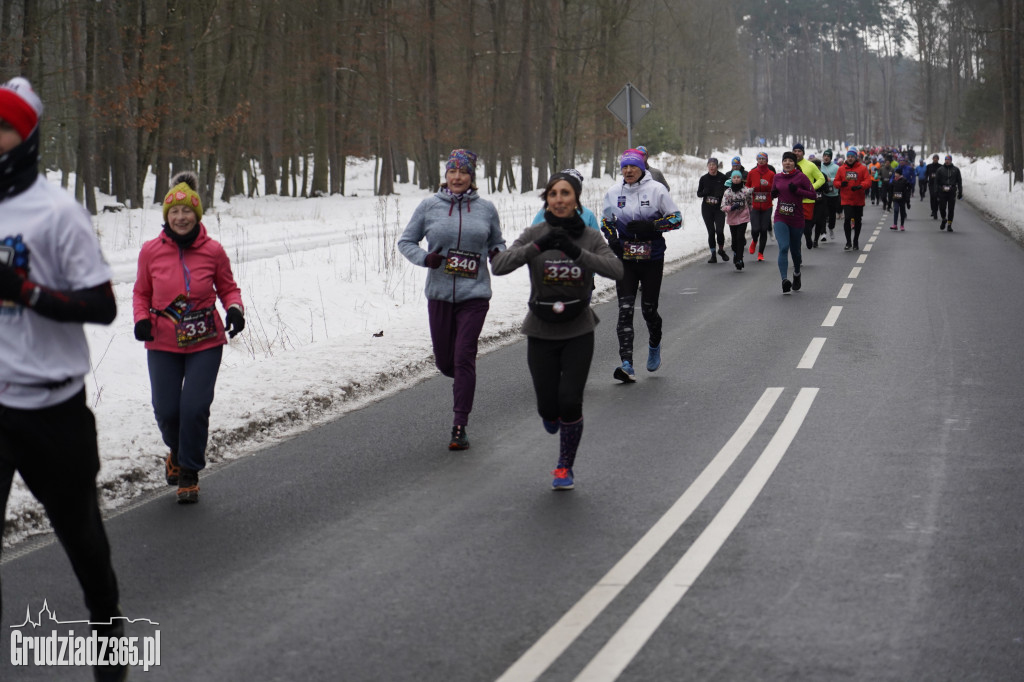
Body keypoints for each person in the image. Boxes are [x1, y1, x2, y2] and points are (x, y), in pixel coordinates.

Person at [0, 76, 126, 681]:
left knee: (80, 536)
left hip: (54, 409)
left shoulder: (57, 212)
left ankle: (108, 634)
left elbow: (102, 306)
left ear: (25, 138)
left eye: (3, 130)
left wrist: (25, 292)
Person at [491, 172, 622, 490]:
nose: (559, 199)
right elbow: (499, 265)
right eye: (553, 194)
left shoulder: (590, 236)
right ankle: (551, 416)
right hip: (540, 330)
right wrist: (536, 247)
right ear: (547, 199)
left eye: (566, 193)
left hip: (578, 329)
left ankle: (565, 467)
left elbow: (617, 269)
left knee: (570, 400)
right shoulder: (535, 232)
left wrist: (577, 253)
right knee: (548, 407)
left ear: (576, 200)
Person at [133, 171, 244, 504]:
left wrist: (235, 309)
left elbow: (227, 287)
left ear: (197, 215)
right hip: (162, 340)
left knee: (194, 407)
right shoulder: (151, 251)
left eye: (187, 212)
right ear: (167, 215)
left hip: (205, 340)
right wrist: (141, 320)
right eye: (174, 212)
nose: (181, 217)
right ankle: (177, 452)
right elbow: (141, 293)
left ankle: (189, 471)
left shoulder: (213, 250)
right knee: (167, 411)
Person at [398, 149, 505, 449]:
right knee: (446, 362)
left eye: (463, 172)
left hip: (475, 295)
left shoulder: (486, 209)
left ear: (472, 177)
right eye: (452, 172)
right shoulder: (429, 206)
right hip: (440, 294)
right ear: (446, 176)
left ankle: (460, 425)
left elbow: (496, 240)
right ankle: (459, 376)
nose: (457, 177)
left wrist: (497, 253)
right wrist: (425, 258)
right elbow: (406, 241)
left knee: (463, 357)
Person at [601, 148, 682, 382]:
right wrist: (612, 239)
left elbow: (676, 219)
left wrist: (653, 226)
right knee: (624, 310)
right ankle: (626, 364)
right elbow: (606, 220)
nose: (628, 171)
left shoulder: (657, 190)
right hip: (625, 259)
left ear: (642, 168)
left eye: (633, 167)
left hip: (651, 257)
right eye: (624, 167)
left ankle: (654, 342)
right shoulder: (613, 192)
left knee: (648, 310)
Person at [771, 151, 816, 293]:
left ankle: (797, 272)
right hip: (781, 217)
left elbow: (813, 195)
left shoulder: (801, 177)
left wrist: (797, 190)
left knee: (795, 251)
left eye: (790, 161)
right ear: (782, 163)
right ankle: (784, 280)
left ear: (794, 163)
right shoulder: (777, 177)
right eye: (785, 161)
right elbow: (774, 191)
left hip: (796, 219)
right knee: (784, 247)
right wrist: (772, 194)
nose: (788, 163)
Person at [532, 168, 599, 230]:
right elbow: (531, 238)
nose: (559, 199)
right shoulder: (543, 214)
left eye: (566, 193)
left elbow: (596, 241)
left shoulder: (588, 215)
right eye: (554, 193)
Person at [835, 147, 872, 250]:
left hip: (858, 199)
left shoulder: (862, 168)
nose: (850, 158)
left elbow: (868, 181)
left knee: (857, 220)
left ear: (856, 157)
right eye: (848, 157)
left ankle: (856, 241)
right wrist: (841, 184)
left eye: (852, 157)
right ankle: (848, 242)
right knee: (847, 219)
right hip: (846, 198)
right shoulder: (842, 169)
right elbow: (836, 182)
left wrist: (860, 186)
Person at [791, 143, 826, 249]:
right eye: (795, 151)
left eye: (799, 151)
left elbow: (821, 179)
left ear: (803, 153)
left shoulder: (810, 165)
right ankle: (797, 255)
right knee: (796, 231)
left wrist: (811, 188)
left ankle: (808, 237)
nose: (797, 153)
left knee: (807, 228)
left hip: (807, 201)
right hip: (792, 201)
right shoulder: (788, 164)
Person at [696, 157, 728, 263]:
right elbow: (699, 194)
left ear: (717, 166)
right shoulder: (704, 178)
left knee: (719, 231)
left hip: (719, 209)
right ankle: (713, 255)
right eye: (709, 165)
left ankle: (721, 250)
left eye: (713, 165)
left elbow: (728, 191)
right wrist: (705, 192)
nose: (711, 167)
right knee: (711, 232)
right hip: (707, 208)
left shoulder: (723, 177)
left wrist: (723, 194)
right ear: (707, 166)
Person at [746, 151, 775, 262]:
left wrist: (767, 185)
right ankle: (754, 241)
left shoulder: (771, 174)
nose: (761, 160)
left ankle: (760, 253)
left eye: (763, 159)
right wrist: (749, 189)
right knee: (755, 229)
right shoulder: (752, 173)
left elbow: (775, 188)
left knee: (763, 229)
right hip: (755, 206)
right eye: (759, 159)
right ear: (757, 160)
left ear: (767, 160)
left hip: (767, 205)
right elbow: (747, 185)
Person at [720, 170, 752, 270]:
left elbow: (750, 202)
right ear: (732, 179)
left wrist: (749, 211)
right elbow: (723, 206)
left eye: (738, 177)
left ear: (741, 178)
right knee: (734, 240)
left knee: (740, 238)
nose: (736, 179)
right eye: (734, 178)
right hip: (732, 218)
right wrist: (731, 208)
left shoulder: (746, 191)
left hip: (743, 218)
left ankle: (739, 259)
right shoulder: (728, 192)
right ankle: (735, 253)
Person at [934, 155, 964, 231]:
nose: (947, 161)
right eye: (946, 159)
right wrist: (936, 191)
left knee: (951, 209)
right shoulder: (940, 170)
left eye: (948, 160)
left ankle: (949, 224)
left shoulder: (956, 170)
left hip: (952, 192)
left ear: (951, 160)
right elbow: (936, 182)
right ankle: (944, 219)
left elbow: (959, 182)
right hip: (942, 191)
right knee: (942, 208)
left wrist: (960, 192)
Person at [819, 149, 841, 241]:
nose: (826, 157)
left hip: (834, 194)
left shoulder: (836, 167)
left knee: (832, 215)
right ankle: (823, 233)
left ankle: (831, 228)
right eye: (825, 156)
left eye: (828, 156)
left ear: (831, 158)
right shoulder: (820, 167)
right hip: (824, 194)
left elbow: (839, 178)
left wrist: (830, 179)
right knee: (823, 214)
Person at [926, 153, 942, 219]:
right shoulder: (929, 166)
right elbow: (926, 174)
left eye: (936, 158)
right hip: (931, 184)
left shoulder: (941, 166)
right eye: (934, 158)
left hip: (939, 184)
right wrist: (925, 180)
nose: (935, 159)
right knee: (932, 197)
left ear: (938, 159)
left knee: (937, 198)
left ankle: (936, 210)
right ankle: (933, 210)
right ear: (932, 159)